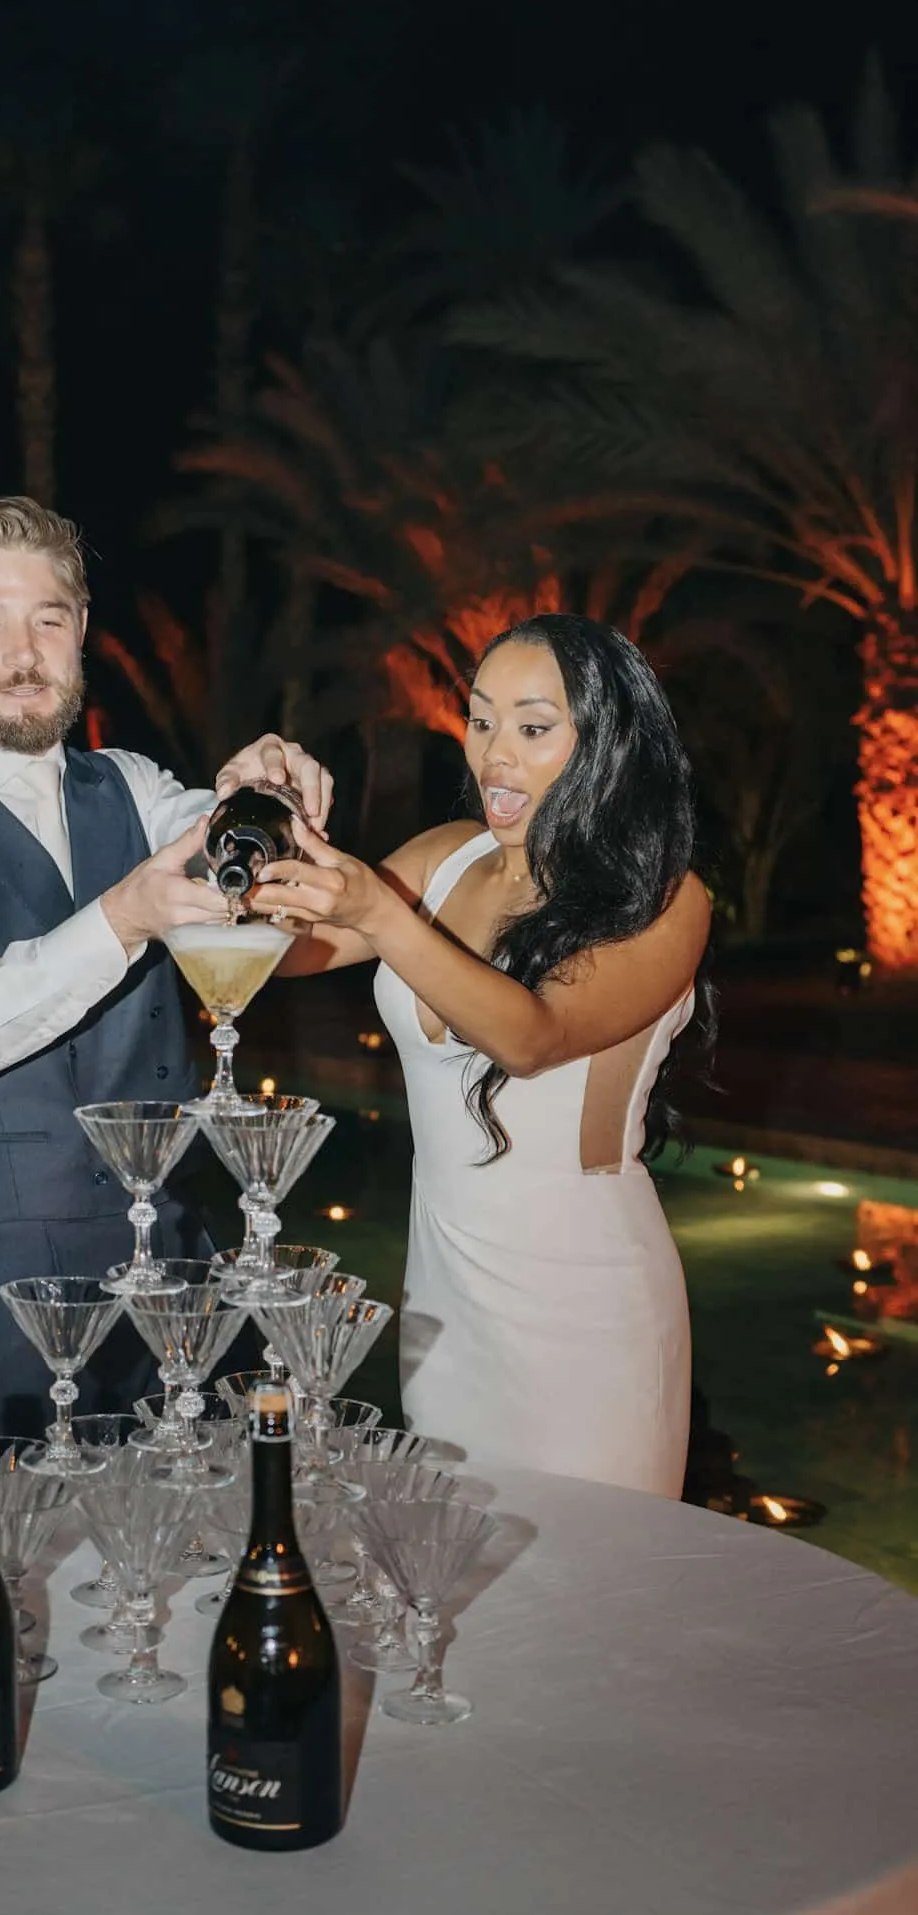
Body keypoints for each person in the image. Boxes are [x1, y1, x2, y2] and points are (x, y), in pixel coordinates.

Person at [0, 496, 332, 1437]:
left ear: (82, 632)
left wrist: (262, 795)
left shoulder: (136, 789)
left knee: (201, 1537)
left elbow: (235, 851)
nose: (23, 654)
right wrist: (121, 916)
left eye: (48, 620)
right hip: (4, 1290)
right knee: (17, 1553)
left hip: (182, 1269)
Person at [247, 613, 712, 1499]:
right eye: (480, 719)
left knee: (591, 1590)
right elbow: (287, 952)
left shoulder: (664, 899)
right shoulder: (443, 858)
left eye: (534, 728)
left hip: (581, 1298)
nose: (494, 754)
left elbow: (530, 1038)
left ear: (605, 744)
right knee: (451, 1576)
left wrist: (380, 917)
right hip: (443, 1289)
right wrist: (262, 826)